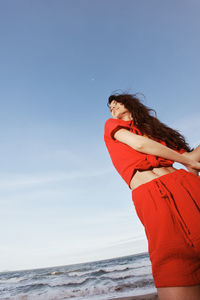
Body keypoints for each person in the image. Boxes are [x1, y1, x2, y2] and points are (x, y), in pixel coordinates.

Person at [104, 93, 200, 300]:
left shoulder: (157, 132)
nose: (112, 107)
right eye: (110, 106)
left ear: (129, 103)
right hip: (153, 196)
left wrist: (189, 162)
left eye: (116, 103)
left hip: (188, 188)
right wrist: (186, 160)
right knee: (173, 265)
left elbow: (192, 162)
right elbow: (140, 145)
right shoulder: (112, 126)